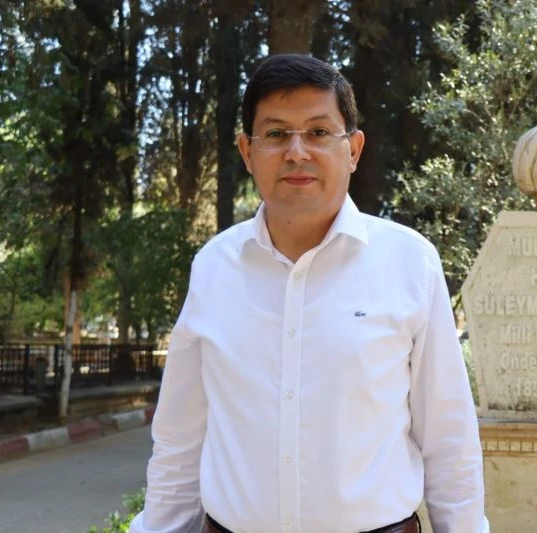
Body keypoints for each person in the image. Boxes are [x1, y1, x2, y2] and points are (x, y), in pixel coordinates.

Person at [128, 53, 488, 533]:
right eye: (276, 134)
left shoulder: (409, 263)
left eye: (319, 132)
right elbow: (181, 440)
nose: (297, 152)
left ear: (353, 149)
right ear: (247, 151)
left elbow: (449, 439)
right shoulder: (215, 267)